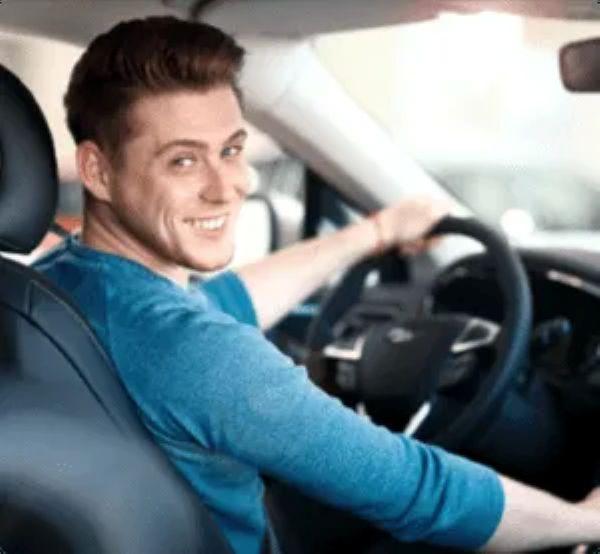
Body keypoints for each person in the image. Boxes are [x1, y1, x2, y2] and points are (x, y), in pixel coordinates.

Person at [33, 16, 600, 554]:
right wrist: (586, 520)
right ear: (97, 170)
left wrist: (374, 233)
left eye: (231, 150)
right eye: (183, 161)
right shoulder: (197, 353)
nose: (227, 187)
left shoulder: (57, 282)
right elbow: (418, 489)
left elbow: (225, 301)